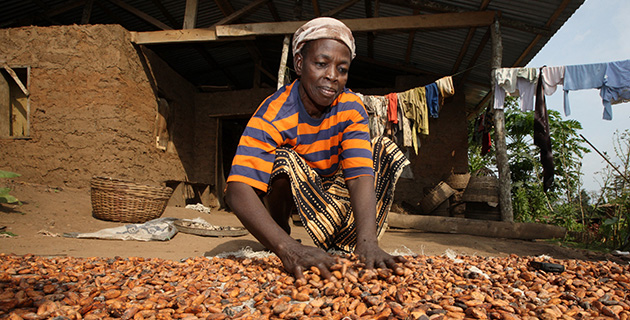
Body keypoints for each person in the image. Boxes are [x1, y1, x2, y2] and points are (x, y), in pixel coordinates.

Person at [224, 17, 409, 280]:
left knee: (382, 149)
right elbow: (237, 190)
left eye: (342, 69)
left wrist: (368, 241)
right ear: (300, 64)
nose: (332, 76)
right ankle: (278, 233)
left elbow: (358, 176)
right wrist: (288, 250)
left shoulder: (351, 108)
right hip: (301, 193)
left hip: (337, 199)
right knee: (282, 159)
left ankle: (353, 241)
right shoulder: (275, 112)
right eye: (321, 64)